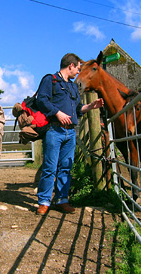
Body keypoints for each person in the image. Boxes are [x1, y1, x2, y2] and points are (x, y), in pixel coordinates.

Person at [35, 53, 104, 215]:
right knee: (50, 168)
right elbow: (41, 100)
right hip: (54, 130)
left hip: (70, 133)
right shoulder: (50, 80)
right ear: (71, 65)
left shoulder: (73, 86)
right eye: (78, 68)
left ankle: (62, 200)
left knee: (66, 167)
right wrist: (57, 113)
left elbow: (78, 109)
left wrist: (91, 106)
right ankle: (44, 201)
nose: (78, 72)